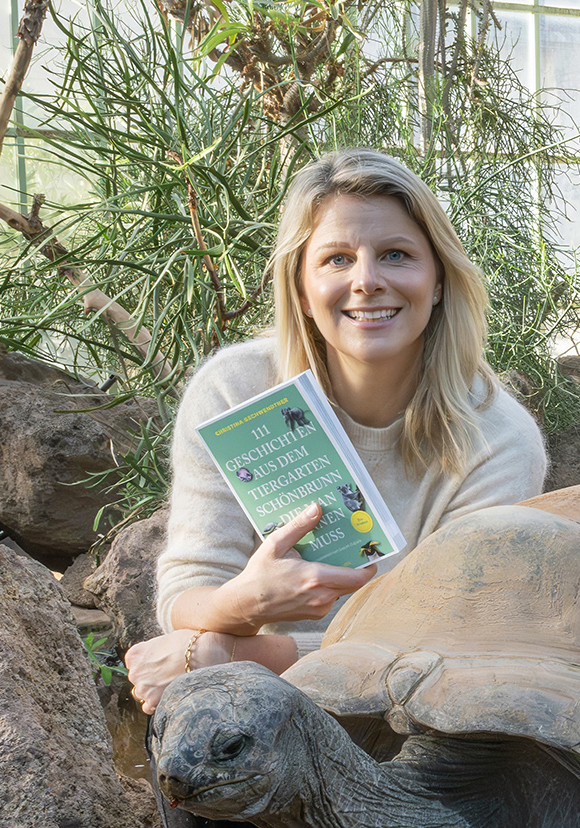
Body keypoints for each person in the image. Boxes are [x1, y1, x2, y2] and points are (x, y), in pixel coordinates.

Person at [126, 148, 547, 716]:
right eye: (337, 259)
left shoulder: (498, 441)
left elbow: (449, 645)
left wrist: (226, 654)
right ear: (301, 288)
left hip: (417, 730)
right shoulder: (235, 392)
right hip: (250, 717)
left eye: (396, 255)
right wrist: (244, 603)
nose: (367, 281)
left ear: (439, 281)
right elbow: (187, 592)